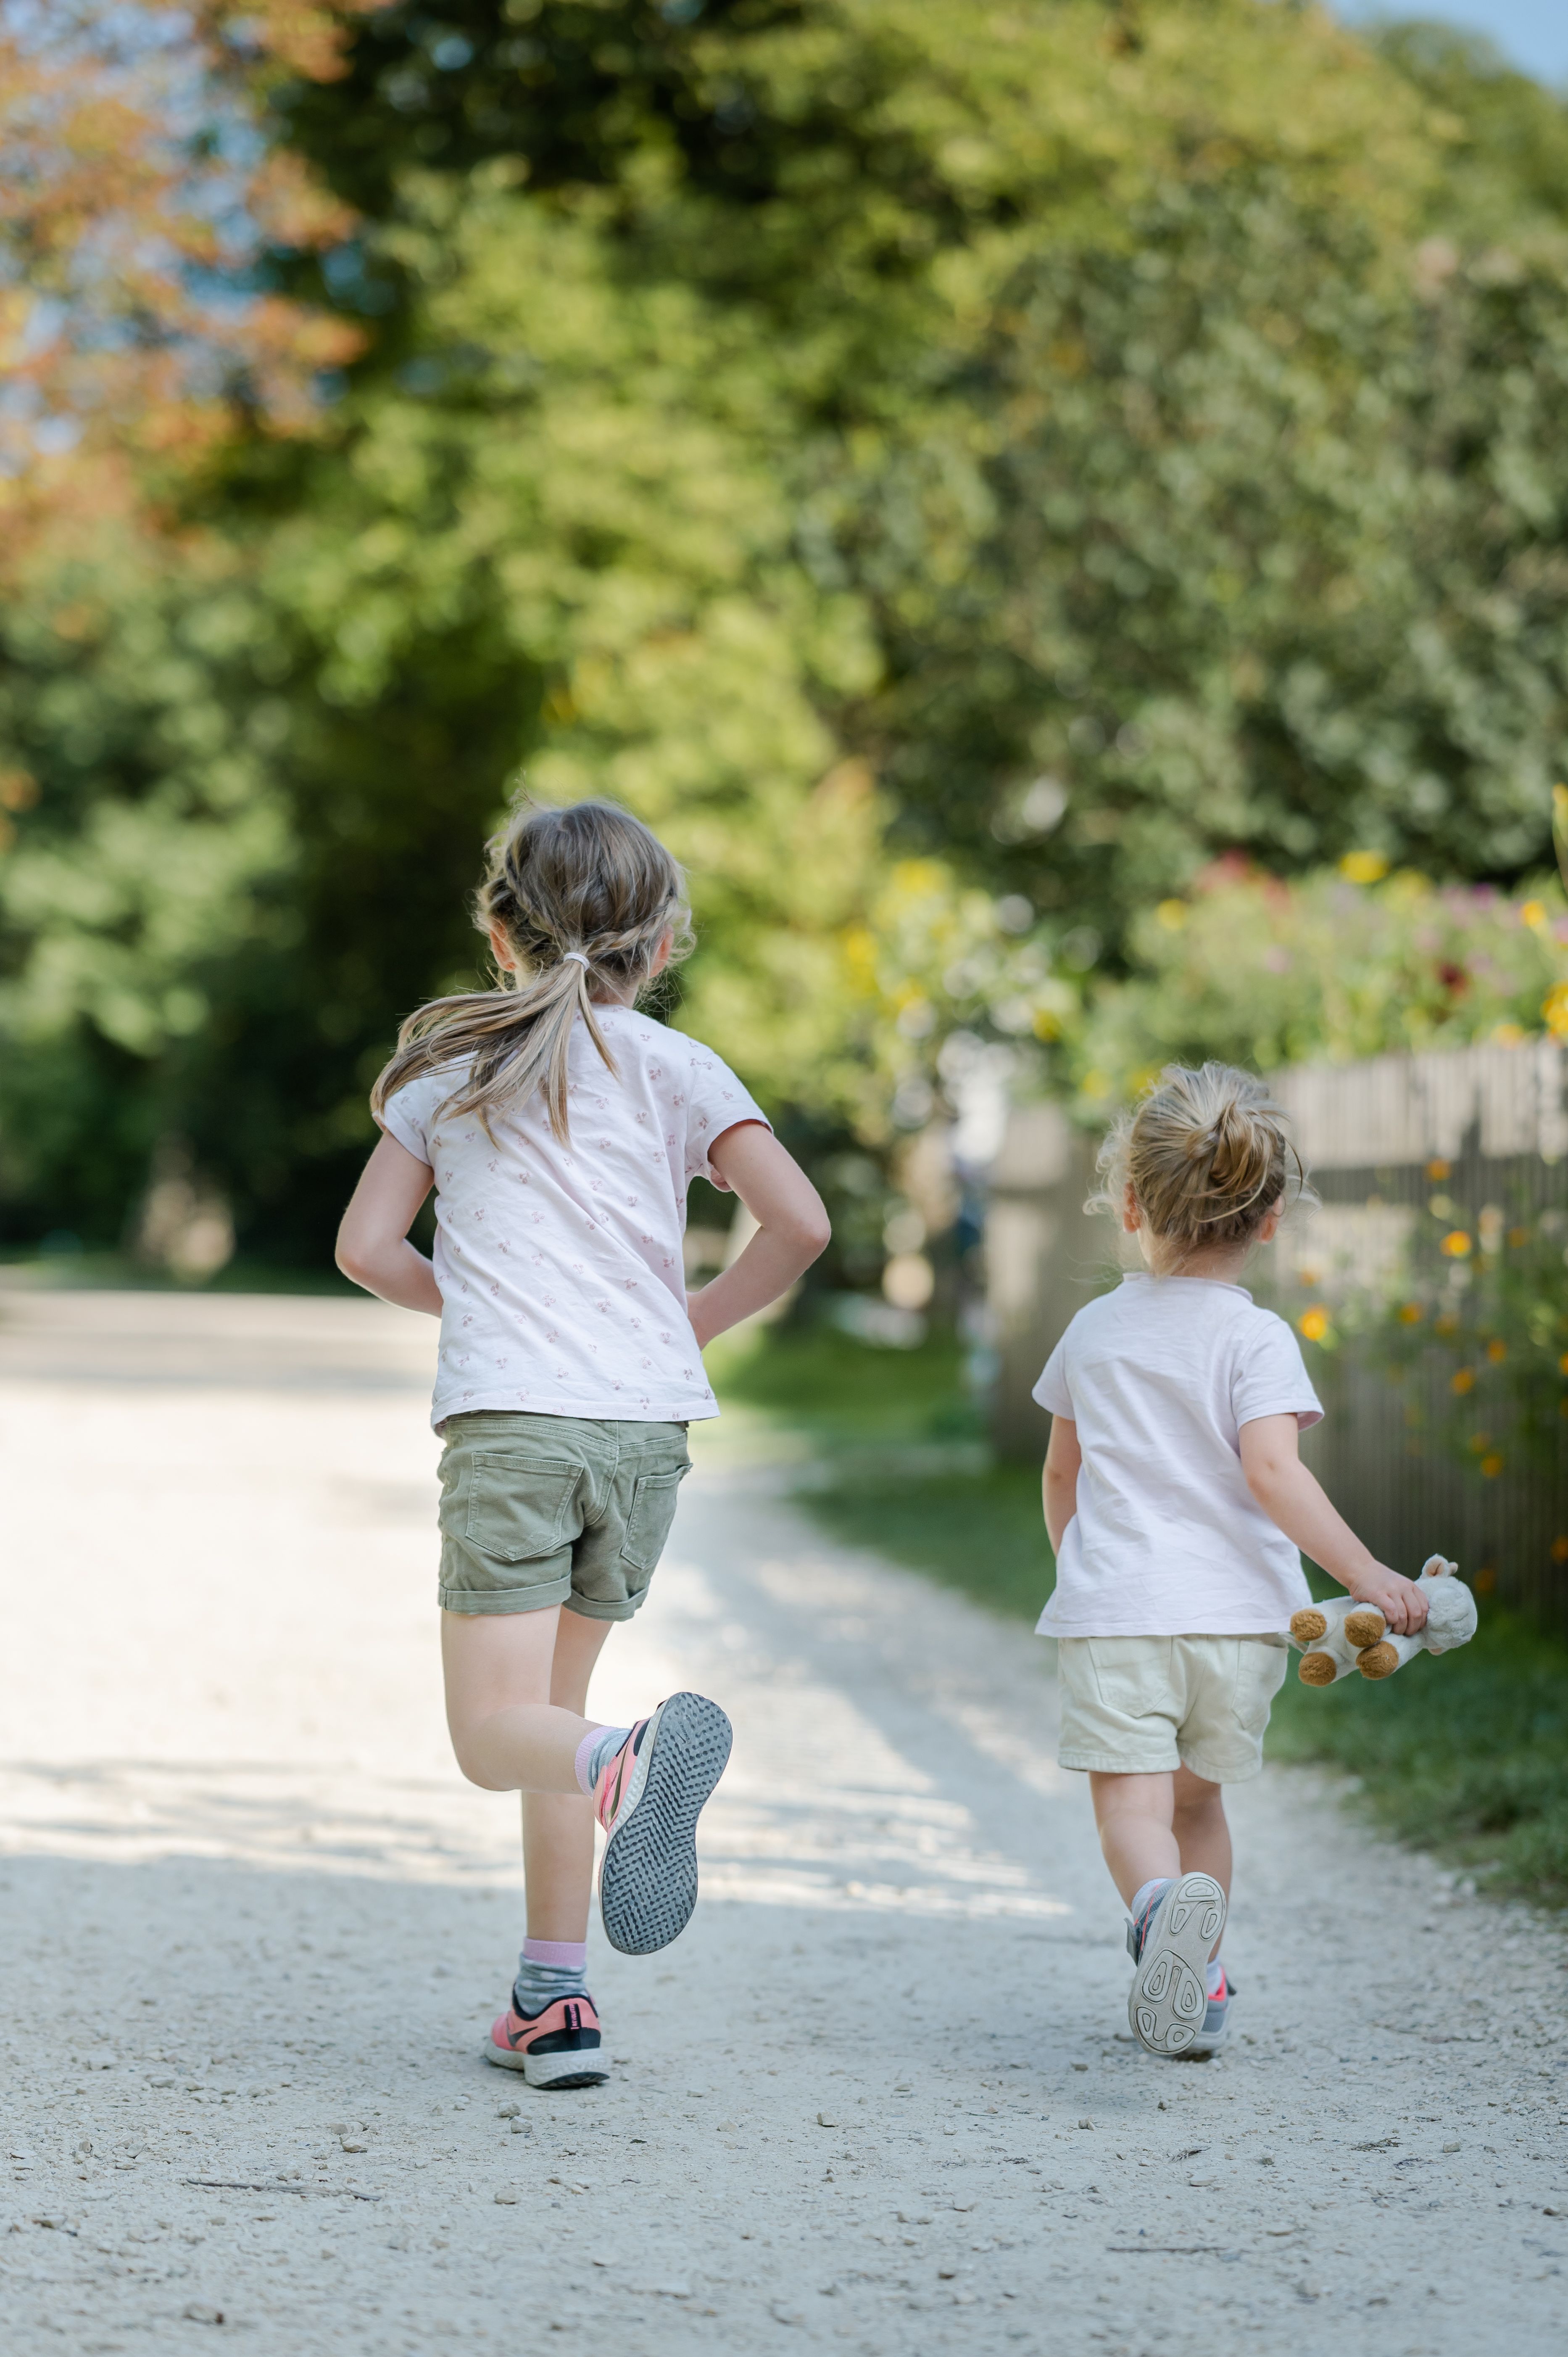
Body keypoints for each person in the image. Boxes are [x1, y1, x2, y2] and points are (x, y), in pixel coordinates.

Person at [335, 798, 830, 2087]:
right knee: (546, 1710)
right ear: (660, 947)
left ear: (501, 935)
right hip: (641, 1435)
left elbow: (365, 1249)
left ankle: (627, 1763)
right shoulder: (683, 1070)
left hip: (515, 1428)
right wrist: (692, 1324)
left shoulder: (450, 1077)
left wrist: (479, 1306)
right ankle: (554, 2001)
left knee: (497, 1733)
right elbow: (801, 1226)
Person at [1035, 1061, 1428, 2056]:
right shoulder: (1257, 1338)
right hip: (1239, 1623)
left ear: (1129, 1203)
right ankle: (1201, 1974)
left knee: (1131, 1802)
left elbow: (1060, 1477)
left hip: (1118, 1613)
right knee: (1199, 1797)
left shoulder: (1093, 1330)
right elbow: (1273, 1471)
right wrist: (1365, 1573)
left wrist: (1082, 1571)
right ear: (1270, 1219)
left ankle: (1162, 1911)